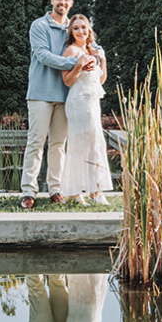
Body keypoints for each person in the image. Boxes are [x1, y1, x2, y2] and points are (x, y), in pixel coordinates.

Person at [22, 0, 98, 209]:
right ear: (52, 0)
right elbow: (44, 55)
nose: (62, 3)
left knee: (58, 145)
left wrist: (97, 55)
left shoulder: (73, 27)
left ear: (71, 3)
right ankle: (28, 191)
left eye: (66, 0)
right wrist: (76, 62)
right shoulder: (39, 25)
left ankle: (55, 190)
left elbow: (90, 44)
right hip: (40, 94)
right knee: (36, 142)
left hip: (66, 95)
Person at [59, 14, 112, 203]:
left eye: (84, 27)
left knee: (95, 143)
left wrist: (103, 60)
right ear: (71, 32)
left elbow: (100, 80)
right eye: (76, 28)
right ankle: (78, 191)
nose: (81, 31)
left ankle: (93, 190)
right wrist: (79, 65)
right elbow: (67, 81)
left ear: (89, 29)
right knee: (81, 145)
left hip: (93, 102)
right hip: (79, 102)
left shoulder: (92, 50)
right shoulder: (70, 51)